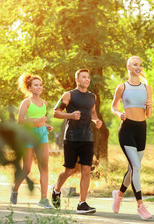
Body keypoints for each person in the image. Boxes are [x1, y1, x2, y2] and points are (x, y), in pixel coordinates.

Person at [51, 69, 102, 213]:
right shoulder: (69, 95)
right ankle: (56, 190)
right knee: (69, 170)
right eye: (84, 77)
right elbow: (56, 112)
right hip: (72, 138)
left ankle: (82, 203)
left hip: (87, 138)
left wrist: (96, 120)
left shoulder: (93, 97)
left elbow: (92, 113)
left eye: (88, 77)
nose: (87, 80)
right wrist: (71, 115)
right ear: (77, 80)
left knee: (86, 170)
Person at [110, 56, 153, 220]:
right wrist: (118, 113)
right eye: (135, 64)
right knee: (136, 167)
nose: (139, 67)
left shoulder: (147, 87)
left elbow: (149, 115)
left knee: (133, 168)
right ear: (128, 67)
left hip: (141, 129)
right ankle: (140, 205)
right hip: (127, 129)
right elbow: (114, 106)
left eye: (140, 65)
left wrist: (149, 107)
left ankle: (119, 194)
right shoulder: (122, 87)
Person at [10, 73, 53, 209]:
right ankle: (15, 189)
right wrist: (37, 121)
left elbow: (42, 119)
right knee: (27, 168)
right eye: (36, 85)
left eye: (40, 85)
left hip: (42, 134)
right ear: (29, 87)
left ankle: (44, 199)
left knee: (44, 166)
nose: (39, 87)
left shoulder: (44, 103)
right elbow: (20, 120)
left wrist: (46, 126)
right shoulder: (26, 102)